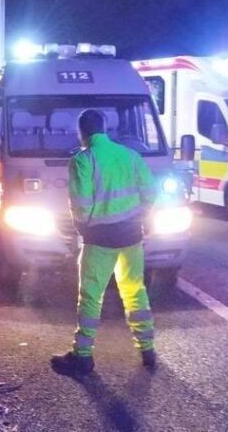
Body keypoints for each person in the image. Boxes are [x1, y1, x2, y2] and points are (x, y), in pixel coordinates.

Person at [51, 109, 157, 376]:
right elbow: (150, 193)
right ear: (105, 128)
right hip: (132, 236)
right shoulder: (130, 156)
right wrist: (140, 216)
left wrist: (81, 229)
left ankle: (83, 356)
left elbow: (81, 205)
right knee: (135, 290)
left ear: (82, 132)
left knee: (91, 296)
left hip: (99, 240)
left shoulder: (83, 160)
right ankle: (147, 349)